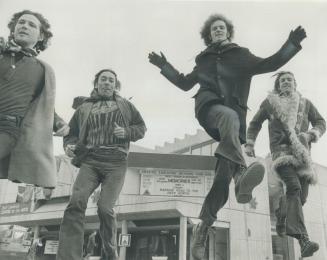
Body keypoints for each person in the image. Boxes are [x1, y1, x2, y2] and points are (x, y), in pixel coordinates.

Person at [148, 14, 306, 259]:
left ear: (228, 32)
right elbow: (184, 83)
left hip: (233, 127)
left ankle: (202, 230)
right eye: (214, 29)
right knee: (229, 117)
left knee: (222, 180)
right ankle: (242, 172)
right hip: (209, 109)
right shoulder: (203, 59)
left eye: (222, 28)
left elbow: (270, 63)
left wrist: (291, 44)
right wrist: (164, 66)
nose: (218, 30)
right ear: (209, 35)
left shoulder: (241, 55)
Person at [56, 69, 146, 260]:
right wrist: (69, 146)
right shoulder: (84, 108)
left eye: (111, 80)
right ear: (96, 84)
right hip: (91, 161)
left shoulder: (126, 105)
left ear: (116, 85)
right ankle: (68, 256)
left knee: (105, 209)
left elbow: (141, 127)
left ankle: (109, 252)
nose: (107, 83)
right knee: (76, 203)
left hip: (116, 162)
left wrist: (127, 132)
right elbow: (71, 133)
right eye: (103, 79)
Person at [246, 71, 325, 257]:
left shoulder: (306, 104)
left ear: (295, 84)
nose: (286, 82)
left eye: (289, 80)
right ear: (278, 86)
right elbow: (254, 123)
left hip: (303, 154)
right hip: (281, 154)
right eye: (282, 81)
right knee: (294, 187)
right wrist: (250, 143)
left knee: (301, 197)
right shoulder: (269, 104)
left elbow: (321, 122)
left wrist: (310, 134)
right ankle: (303, 240)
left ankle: (281, 212)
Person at [0, 10, 69, 188]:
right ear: (13, 29)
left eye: (32, 25)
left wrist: (60, 123)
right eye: (21, 22)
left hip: (7, 128)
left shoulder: (41, 69)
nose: (24, 26)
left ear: (41, 36)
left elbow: (44, 106)